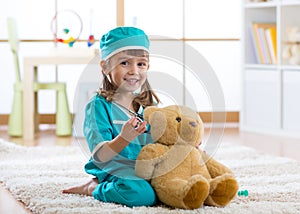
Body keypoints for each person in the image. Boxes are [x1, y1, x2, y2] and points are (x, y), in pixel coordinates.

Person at [62, 26, 160, 207]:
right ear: (105, 67)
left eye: (141, 64)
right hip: (116, 170)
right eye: (125, 63)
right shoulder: (98, 107)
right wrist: (124, 138)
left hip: (147, 169)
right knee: (142, 195)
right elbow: (101, 155)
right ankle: (94, 188)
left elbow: (164, 138)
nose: (134, 71)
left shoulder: (149, 106)